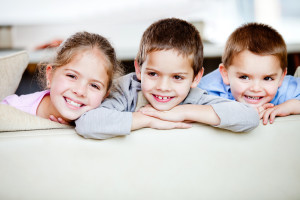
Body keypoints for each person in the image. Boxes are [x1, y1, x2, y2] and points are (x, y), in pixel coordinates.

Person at [75, 18, 259, 139]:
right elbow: (86, 123)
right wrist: (147, 119)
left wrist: (183, 112)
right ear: (139, 70)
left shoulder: (194, 98)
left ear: (196, 78)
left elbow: (249, 116)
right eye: (153, 74)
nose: (163, 87)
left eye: (177, 77)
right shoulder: (127, 90)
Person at [1, 31, 122, 125]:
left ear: (105, 95)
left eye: (94, 85)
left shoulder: (104, 118)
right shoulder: (11, 110)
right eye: (72, 76)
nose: (80, 91)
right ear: (50, 75)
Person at [198, 22, 300, 125]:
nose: (255, 89)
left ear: (281, 78)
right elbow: (186, 106)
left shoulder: (285, 88)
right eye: (244, 77)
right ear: (225, 74)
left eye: (267, 78)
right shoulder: (208, 90)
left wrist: (291, 106)